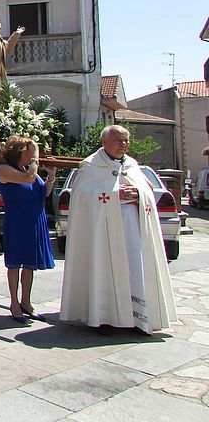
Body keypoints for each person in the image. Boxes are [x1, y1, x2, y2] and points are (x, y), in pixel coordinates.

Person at [60, 125, 178, 335]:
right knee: (103, 268)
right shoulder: (90, 166)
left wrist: (138, 193)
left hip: (132, 227)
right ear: (104, 142)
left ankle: (138, 319)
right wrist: (113, 195)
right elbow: (80, 196)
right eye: (117, 140)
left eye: (125, 140)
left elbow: (148, 191)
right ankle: (104, 318)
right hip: (102, 230)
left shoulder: (132, 165)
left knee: (135, 268)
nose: (123, 144)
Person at [0, 136, 56, 323]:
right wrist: (36, 158)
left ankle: (26, 302)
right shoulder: (5, 170)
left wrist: (51, 176)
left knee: (30, 264)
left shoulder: (30, 170)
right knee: (14, 263)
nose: (32, 152)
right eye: (28, 149)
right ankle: (14, 303)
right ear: (19, 151)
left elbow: (43, 192)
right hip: (18, 221)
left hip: (35, 220)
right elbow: (27, 179)